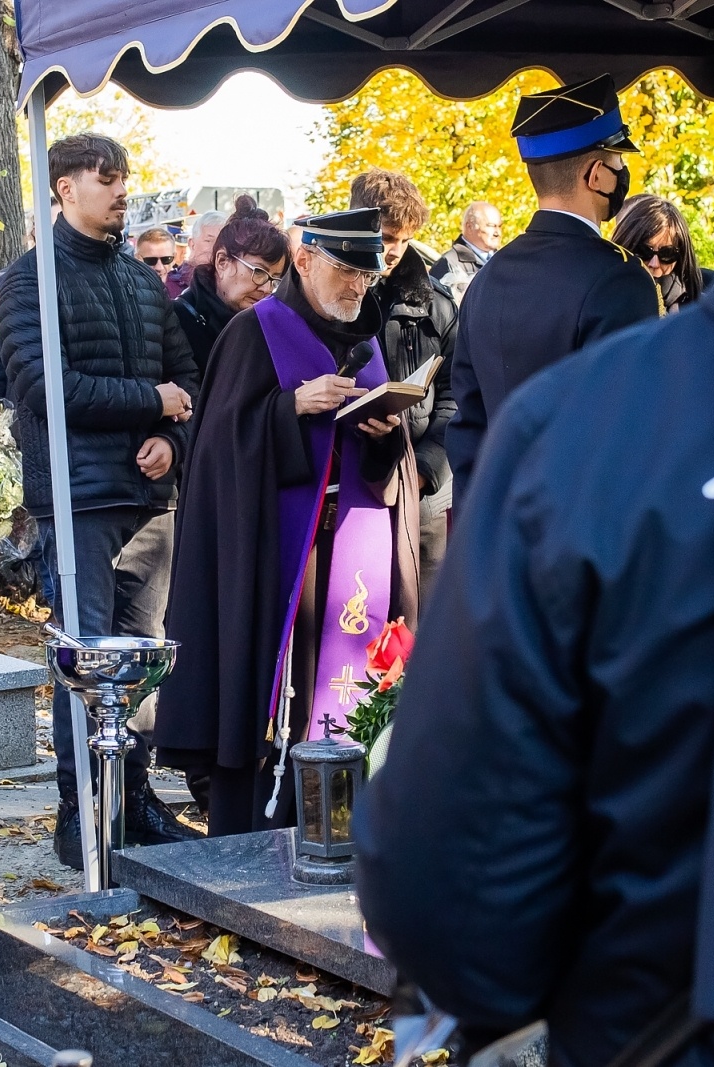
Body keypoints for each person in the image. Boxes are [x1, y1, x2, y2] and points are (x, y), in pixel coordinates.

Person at [357, 231, 714, 1067]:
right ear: (601, 173)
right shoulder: (606, 310)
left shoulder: (582, 406)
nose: (660, 266)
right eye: (655, 253)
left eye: (670, 256)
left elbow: (450, 877)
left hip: (664, 1006)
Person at [157, 207, 420, 838]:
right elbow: (218, 451)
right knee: (277, 695)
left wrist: (386, 432)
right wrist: (288, 408)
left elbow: (391, 465)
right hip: (276, 556)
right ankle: (259, 830)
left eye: (368, 273)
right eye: (347, 270)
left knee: (349, 686)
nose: (359, 286)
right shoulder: (256, 332)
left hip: (353, 546)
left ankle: (342, 826)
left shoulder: (367, 341)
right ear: (304, 260)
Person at [0, 133, 202, 870]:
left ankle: (133, 799)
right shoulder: (30, 281)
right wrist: (152, 402)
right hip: (78, 496)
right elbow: (43, 387)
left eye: (124, 177)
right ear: (64, 188)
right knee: (86, 662)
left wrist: (171, 441)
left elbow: (188, 380)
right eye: (106, 178)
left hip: (149, 496)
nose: (121, 190)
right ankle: (80, 810)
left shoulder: (142, 279)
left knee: (142, 661)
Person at [446, 74, 661, 492]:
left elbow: (468, 426)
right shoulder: (618, 278)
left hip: (500, 518)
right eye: (618, 162)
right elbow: (627, 435)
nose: (622, 172)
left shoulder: (486, 279)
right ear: (596, 175)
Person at [350, 170, 457, 604]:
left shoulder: (437, 304)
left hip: (422, 494)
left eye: (405, 239)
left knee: (420, 624)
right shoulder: (326, 294)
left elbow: (456, 398)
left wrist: (424, 472)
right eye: (387, 236)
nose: (395, 250)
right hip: (347, 490)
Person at [173, 195, 289, 376]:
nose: (266, 289)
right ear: (222, 262)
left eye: (275, 279)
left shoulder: (268, 326)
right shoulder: (176, 320)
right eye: (259, 272)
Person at [613, 194, 714, 313]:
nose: (654, 263)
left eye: (667, 253)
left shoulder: (702, 306)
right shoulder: (604, 298)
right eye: (644, 251)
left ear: (681, 255)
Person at [428, 200, 501, 304]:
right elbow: (437, 308)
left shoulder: (503, 261)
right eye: (491, 226)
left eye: (500, 226)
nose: (497, 233)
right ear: (470, 227)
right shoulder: (449, 263)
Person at [169, 209, 227, 299]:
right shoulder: (169, 285)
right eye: (209, 241)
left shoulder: (232, 287)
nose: (216, 247)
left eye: (222, 241)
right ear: (192, 244)